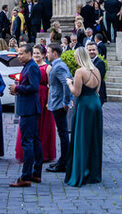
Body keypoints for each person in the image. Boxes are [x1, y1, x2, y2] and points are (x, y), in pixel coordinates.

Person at [65, 45, 103, 187]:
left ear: (78, 57)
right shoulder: (97, 70)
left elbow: (76, 92)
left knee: (81, 138)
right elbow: (97, 89)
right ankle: (93, 173)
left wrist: (69, 83)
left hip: (84, 107)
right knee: (94, 138)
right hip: (96, 105)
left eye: (75, 57)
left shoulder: (80, 71)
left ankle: (80, 172)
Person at [16, 45, 57, 163]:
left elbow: (51, 86)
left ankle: (41, 155)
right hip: (32, 97)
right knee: (32, 130)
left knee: (42, 127)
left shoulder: (47, 67)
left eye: (38, 53)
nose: (36, 55)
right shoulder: (29, 66)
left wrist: (49, 101)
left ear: (43, 55)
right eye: (34, 53)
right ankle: (31, 155)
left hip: (43, 97)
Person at [9, 44, 42, 187]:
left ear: (29, 54)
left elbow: (34, 87)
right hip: (29, 108)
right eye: (18, 53)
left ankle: (26, 176)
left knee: (28, 142)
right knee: (34, 141)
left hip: (29, 109)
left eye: (21, 53)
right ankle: (36, 173)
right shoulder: (28, 66)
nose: (19, 56)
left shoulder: (32, 67)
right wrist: (18, 90)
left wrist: (17, 88)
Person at [45, 44, 72, 173]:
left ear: (55, 53)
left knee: (63, 133)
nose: (47, 54)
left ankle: (64, 163)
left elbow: (67, 83)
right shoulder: (58, 65)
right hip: (57, 103)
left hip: (59, 104)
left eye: (48, 52)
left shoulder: (59, 66)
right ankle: (63, 160)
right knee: (62, 133)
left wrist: (66, 101)